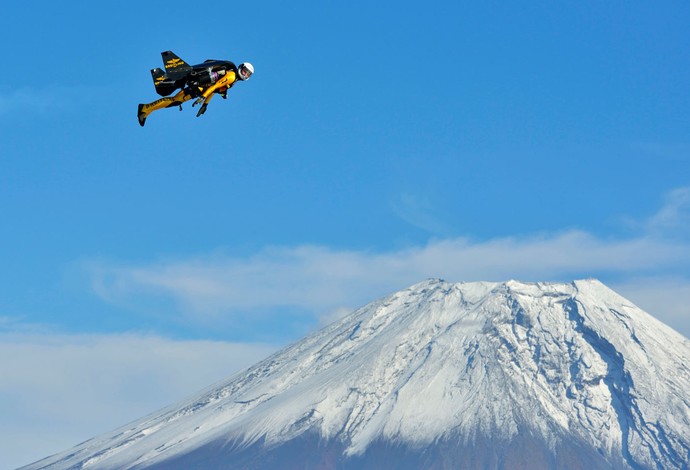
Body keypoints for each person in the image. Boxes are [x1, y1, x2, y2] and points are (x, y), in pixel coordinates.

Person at [137, 62, 254, 126]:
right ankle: (145, 108)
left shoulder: (234, 79)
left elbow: (215, 89)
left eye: (248, 74)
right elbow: (215, 86)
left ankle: (145, 108)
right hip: (197, 89)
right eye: (245, 71)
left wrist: (205, 105)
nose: (245, 74)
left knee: (174, 101)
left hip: (199, 89)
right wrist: (203, 97)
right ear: (241, 67)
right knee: (175, 101)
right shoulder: (231, 76)